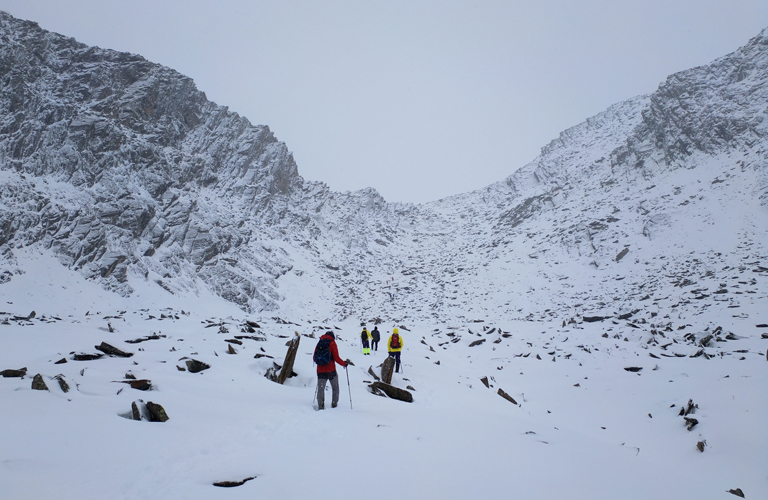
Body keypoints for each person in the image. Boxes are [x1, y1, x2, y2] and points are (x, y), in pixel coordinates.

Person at [313, 331, 350, 410]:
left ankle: (321, 406)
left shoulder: (319, 342)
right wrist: (344, 364)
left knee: (321, 388)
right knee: (335, 387)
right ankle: (334, 404)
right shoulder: (332, 343)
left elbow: (314, 358)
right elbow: (336, 358)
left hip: (320, 370)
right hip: (331, 370)